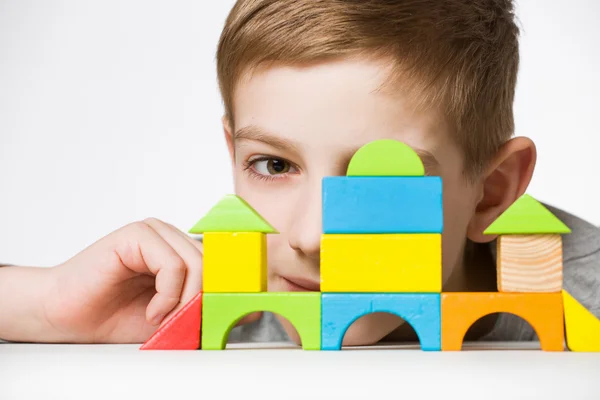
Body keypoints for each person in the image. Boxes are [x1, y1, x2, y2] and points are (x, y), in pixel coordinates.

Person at [1, 0, 598, 347]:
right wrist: (52, 305)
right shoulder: (202, 294)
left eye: (379, 180)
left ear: (491, 193)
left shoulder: (584, 294)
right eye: (274, 165)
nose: (311, 237)